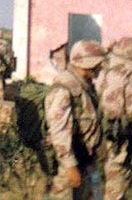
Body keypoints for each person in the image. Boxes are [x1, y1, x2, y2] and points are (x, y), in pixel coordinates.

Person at [44, 39, 106, 199]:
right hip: (68, 165)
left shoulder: (84, 86)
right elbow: (59, 131)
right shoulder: (65, 88)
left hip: (84, 160)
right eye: (98, 63)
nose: (100, 67)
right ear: (88, 63)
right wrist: (70, 166)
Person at [97, 37, 132, 200]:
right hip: (120, 130)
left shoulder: (103, 66)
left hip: (99, 127)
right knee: (117, 176)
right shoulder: (130, 71)